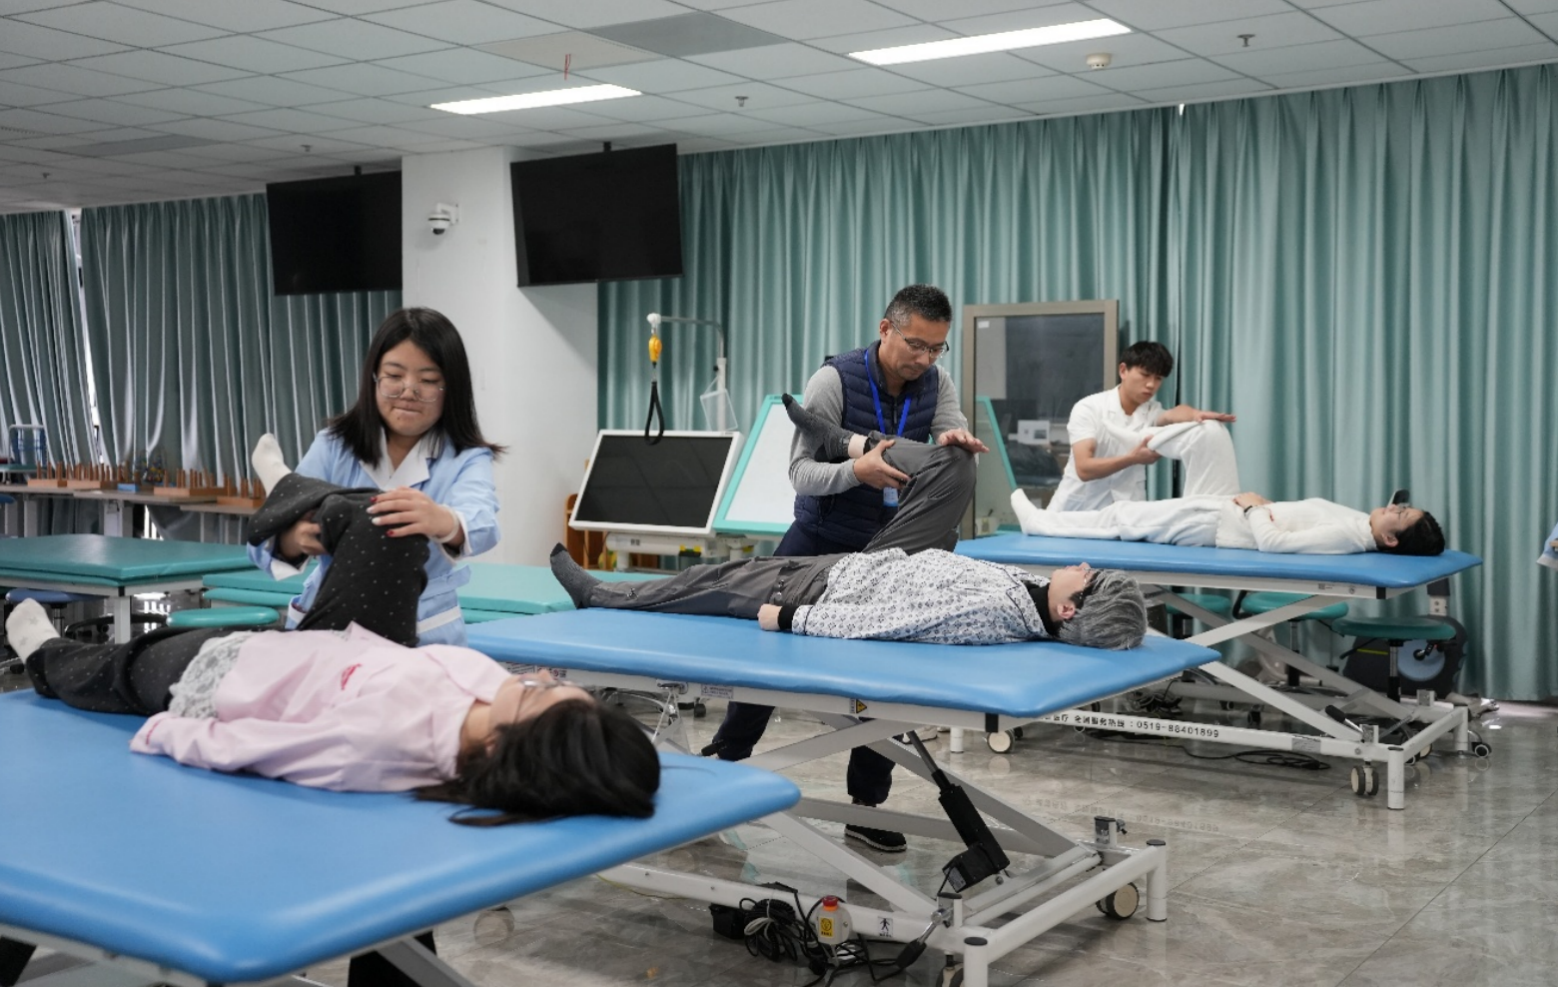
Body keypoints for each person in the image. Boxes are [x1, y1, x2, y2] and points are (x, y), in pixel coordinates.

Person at [7, 487, 661, 820]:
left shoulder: (375, 745)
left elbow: (260, 747)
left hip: (213, 677)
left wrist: (169, 732)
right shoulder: (488, 690)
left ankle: (45, 657)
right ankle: (294, 503)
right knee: (385, 518)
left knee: (118, 667)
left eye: (544, 690)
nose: (541, 674)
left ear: (498, 746)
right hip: (320, 650)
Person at [707, 285, 988, 854]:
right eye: (915, 345)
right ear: (885, 329)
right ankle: (719, 776)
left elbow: (947, 431)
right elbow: (801, 474)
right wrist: (856, 472)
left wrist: (952, 442)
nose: (925, 359)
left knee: (884, 683)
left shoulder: (937, 383)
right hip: (819, 538)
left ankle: (865, 808)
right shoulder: (832, 382)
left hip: (889, 555)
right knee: (765, 665)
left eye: (937, 348)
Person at [550, 399, 1147, 650]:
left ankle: (601, 595)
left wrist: (791, 618)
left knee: (710, 581)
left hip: (832, 586)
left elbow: (887, 623)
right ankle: (843, 440)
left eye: (1090, 578)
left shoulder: (990, 613)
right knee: (956, 464)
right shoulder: (1033, 597)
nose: (1083, 565)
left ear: (1069, 611)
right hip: (897, 561)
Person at [248, 307, 503, 647]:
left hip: (423, 629)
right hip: (330, 618)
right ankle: (289, 488)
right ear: (374, 378)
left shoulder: (466, 458)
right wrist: (294, 540)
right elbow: (262, 540)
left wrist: (442, 520)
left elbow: (483, 523)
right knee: (327, 511)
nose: (409, 391)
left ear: (451, 388)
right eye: (394, 376)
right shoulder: (333, 445)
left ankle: (287, 486)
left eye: (428, 381)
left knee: (371, 522)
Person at [1048, 341, 1236, 513]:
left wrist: (1196, 415)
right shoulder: (1089, 408)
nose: (1151, 384)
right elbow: (1084, 468)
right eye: (1145, 375)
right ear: (1123, 370)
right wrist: (1131, 459)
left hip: (1125, 511)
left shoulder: (1151, 411)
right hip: (1076, 510)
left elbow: (1172, 414)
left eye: (1158, 378)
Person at [1012, 487, 1447, 556]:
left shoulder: (1346, 535)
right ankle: (1046, 520)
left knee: (1122, 520)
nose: (1394, 508)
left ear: (1391, 540)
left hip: (1219, 525)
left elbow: (1275, 544)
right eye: (1401, 506)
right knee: (1121, 516)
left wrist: (1255, 508)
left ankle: (1041, 525)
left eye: (1401, 515)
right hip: (1223, 513)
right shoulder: (1362, 525)